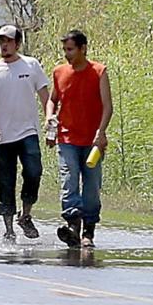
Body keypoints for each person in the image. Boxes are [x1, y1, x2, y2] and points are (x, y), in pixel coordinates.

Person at [0, 25, 50, 242]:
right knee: (6, 181)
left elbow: (46, 95)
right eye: (1, 41)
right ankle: (8, 228)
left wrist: (49, 118)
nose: (4, 45)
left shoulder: (31, 65)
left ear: (17, 43)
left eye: (8, 41)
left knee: (34, 171)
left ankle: (25, 215)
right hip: (3, 136)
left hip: (28, 131)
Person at [46, 29, 113, 248]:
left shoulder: (99, 72)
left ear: (83, 48)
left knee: (92, 187)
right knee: (69, 180)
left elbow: (108, 106)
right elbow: (52, 100)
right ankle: (73, 224)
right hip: (67, 138)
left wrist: (101, 132)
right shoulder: (59, 72)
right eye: (65, 50)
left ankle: (88, 232)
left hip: (93, 141)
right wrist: (49, 117)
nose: (67, 54)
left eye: (71, 49)